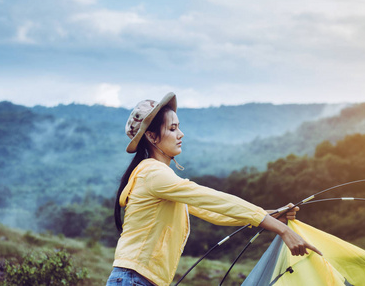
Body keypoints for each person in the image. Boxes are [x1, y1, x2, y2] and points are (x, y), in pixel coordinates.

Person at [107, 92, 321, 286]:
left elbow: (213, 212)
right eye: (172, 129)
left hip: (136, 279)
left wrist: (272, 215)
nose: (181, 134)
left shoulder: (157, 177)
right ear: (152, 137)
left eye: (179, 127)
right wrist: (281, 229)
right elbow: (213, 199)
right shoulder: (154, 174)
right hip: (134, 279)